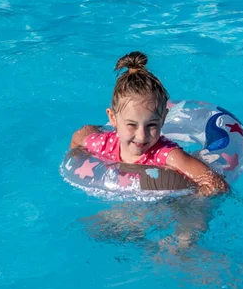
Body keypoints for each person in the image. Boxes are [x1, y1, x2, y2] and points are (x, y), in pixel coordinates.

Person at [70, 51, 228, 196]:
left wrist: (196, 201)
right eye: (131, 125)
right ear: (112, 118)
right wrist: (80, 157)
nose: (142, 136)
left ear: (164, 118)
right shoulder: (104, 144)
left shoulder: (167, 154)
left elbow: (215, 183)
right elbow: (79, 137)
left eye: (151, 125)